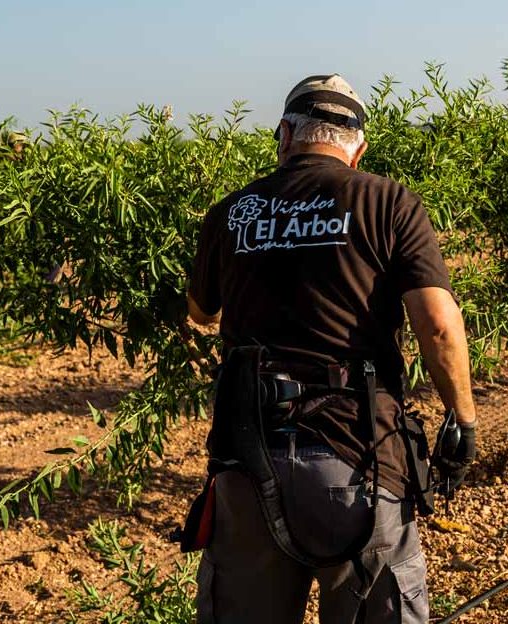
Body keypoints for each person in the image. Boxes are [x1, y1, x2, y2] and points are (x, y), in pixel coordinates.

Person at [186, 74, 478, 623]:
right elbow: (438, 325)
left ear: (284, 134)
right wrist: (462, 419)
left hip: (249, 459)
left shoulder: (232, 211)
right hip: (358, 460)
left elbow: (201, 312)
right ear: (358, 148)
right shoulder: (386, 201)